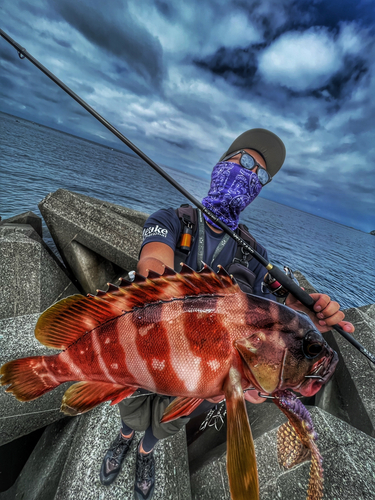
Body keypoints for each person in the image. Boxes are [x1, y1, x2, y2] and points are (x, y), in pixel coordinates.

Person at [99, 128, 354, 500]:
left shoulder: (255, 252)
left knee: (169, 423)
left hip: (204, 375)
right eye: (246, 161)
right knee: (131, 409)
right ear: (221, 165)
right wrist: (155, 285)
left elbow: (263, 310)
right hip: (147, 352)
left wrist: (295, 313)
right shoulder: (172, 220)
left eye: (261, 176)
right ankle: (124, 439)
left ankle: (144, 452)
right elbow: (153, 261)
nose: (250, 176)